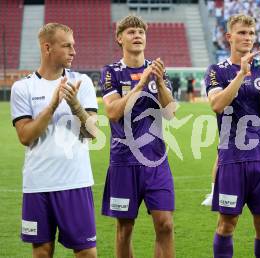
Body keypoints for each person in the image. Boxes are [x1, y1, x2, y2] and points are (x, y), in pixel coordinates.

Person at [10, 23, 98, 258]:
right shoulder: (23, 87)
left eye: (74, 45)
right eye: (67, 45)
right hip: (38, 185)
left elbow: (92, 133)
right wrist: (52, 105)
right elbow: (25, 136)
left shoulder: (83, 82)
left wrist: (75, 105)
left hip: (75, 182)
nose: (74, 51)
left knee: (87, 253)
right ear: (47, 48)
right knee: (42, 253)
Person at [204, 14, 260, 258]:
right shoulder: (217, 71)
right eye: (242, 33)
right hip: (232, 159)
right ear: (229, 37)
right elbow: (217, 104)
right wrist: (241, 74)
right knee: (227, 224)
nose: (248, 38)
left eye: (251, 34)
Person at [99, 15, 176, 258]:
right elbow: (112, 112)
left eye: (141, 32)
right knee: (125, 228)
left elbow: (171, 113)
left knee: (165, 224)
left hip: (155, 159)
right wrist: (141, 83)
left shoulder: (157, 69)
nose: (137, 36)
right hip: (124, 161)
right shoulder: (111, 72)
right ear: (119, 38)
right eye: (131, 32)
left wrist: (160, 83)